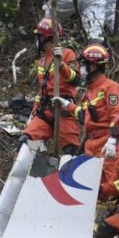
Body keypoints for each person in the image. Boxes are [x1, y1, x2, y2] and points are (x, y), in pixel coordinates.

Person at [17, 18, 81, 155]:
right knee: (25, 140)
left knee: (71, 151)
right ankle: (25, 175)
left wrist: (62, 65)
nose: (37, 40)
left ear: (46, 37)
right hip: (45, 111)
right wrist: (33, 114)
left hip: (64, 109)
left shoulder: (67, 54)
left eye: (39, 37)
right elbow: (42, 91)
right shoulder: (42, 62)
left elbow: (76, 80)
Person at [54, 39, 119, 157]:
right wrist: (66, 104)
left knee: (108, 175)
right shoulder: (90, 90)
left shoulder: (111, 88)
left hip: (106, 145)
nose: (81, 69)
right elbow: (83, 115)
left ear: (93, 66)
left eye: (84, 64)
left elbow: (116, 117)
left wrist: (112, 141)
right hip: (90, 144)